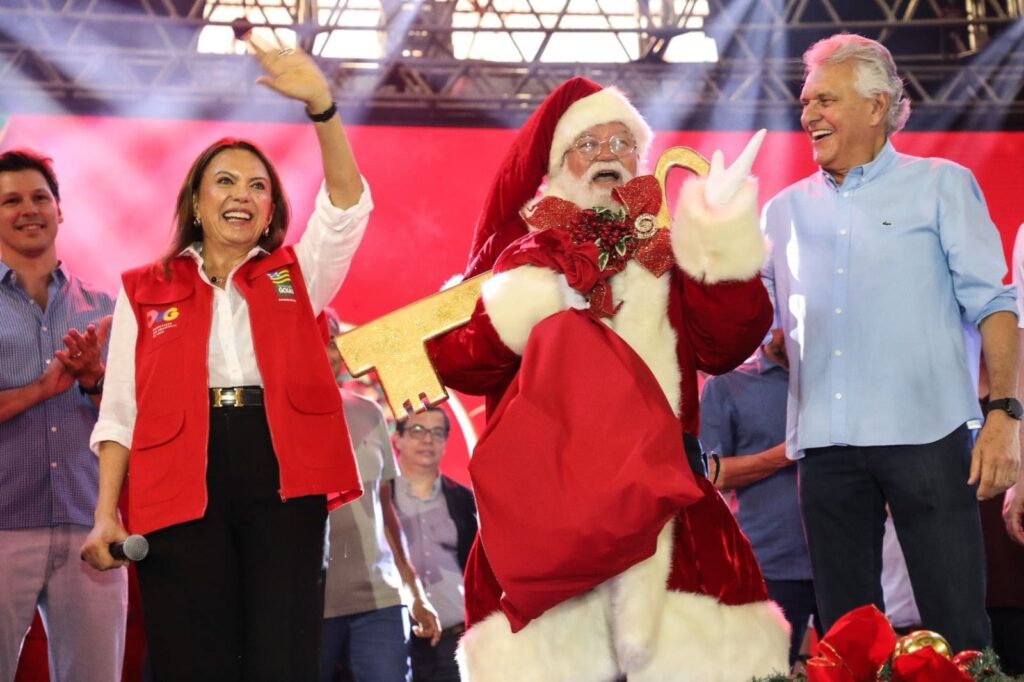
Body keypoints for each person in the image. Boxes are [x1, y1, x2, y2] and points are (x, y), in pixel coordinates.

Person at [428, 77, 789, 681]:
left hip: (669, 507)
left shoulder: (667, 252)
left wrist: (719, 236)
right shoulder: (522, 258)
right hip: (552, 516)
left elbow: (727, 344)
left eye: (622, 142)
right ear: (556, 165)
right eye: (589, 143)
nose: (607, 154)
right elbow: (463, 362)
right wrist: (533, 299)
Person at [80, 35, 372, 681]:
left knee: (283, 655)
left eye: (258, 186)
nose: (242, 193)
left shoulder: (298, 275)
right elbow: (120, 410)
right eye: (225, 181)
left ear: (269, 212)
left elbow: (346, 209)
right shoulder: (144, 288)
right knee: (193, 658)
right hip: (177, 476)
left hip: (282, 468)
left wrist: (322, 108)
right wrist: (105, 515)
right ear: (196, 202)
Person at [760, 33, 1019, 652]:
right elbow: (762, 327)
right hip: (824, 445)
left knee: (958, 632)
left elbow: (994, 304)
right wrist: (770, 337)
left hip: (927, 435)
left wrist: (1005, 414)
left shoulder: (940, 185)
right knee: (846, 641)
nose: (808, 114)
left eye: (825, 99)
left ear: (877, 106)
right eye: (805, 101)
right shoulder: (781, 211)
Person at [0, 149, 127, 681]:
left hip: (88, 525)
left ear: (60, 208)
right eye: (11, 201)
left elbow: (131, 420)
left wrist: (94, 379)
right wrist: (42, 389)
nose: (28, 209)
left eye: (39, 197)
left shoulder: (106, 307)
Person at [321, 315, 441, 682]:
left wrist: (414, 592)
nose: (329, 353)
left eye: (333, 341)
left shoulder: (369, 412)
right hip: (309, 602)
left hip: (380, 597)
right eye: (318, 340)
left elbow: (384, 509)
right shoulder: (270, 417)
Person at [698, 328, 818, 667]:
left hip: (842, 561)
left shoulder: (837, 385)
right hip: (769, 565)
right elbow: (710, 474)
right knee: (765, 670)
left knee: (860, 670)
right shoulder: (728, 384)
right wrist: (784, 455)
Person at [393, 408, 478, 682]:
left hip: (456, 639)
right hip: (395, 642)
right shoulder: (379, 500)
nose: (428, 440)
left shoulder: (464, 499)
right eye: (417, 430)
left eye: (437, 432)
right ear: (397, 438)